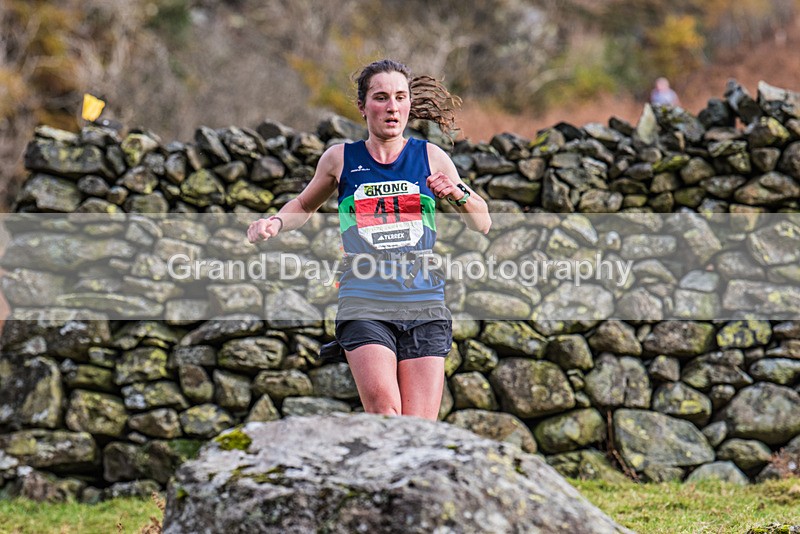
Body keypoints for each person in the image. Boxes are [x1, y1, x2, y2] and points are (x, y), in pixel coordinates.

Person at [247, 59, 491, 421]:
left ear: (409, 104)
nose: (392, 107)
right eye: (381, 97)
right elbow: (303, 205)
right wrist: (276, 222)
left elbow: (481, 221)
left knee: (419, 428)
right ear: (362, 106)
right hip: (365, 301)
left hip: (423, 302)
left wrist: (457, 193)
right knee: (386, 414)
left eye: (400, 97)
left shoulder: (430, 157)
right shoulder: (340, 159)